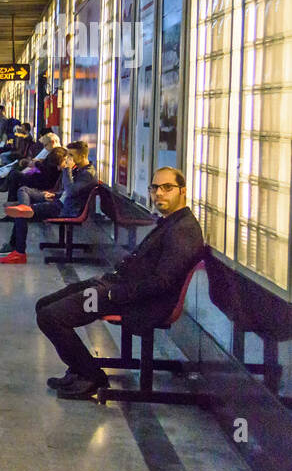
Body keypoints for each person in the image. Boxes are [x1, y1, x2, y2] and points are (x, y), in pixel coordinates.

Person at [37, 167, 205, 399]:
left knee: (50, 316)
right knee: (43, 305)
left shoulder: (183, 230)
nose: (159, 194)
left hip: (131, 301)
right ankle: (78, 368)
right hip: (117, 289)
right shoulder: (171, 222)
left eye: (167, 188)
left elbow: (162, 283)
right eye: (155, 188)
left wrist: (113, 295)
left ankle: (91, 375)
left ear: (183, 191)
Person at [0, 141, 95, 263]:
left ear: (83, 156)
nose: (69, 158)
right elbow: (68, 193)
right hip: (58, 202)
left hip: (63, 210)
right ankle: (23, 206)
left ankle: (19, 252)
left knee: (21, 213)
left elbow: (70, 191)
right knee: (23, 194)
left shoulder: (87, 174)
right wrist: (55, 195)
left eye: (72, 155)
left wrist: (67, 169)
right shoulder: (81, 170)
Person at [0, 131, 61, 204]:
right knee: (5, 178)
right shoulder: (52, 152)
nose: (44, 147)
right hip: (39, 178)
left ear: (52, 142)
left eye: (45, 145)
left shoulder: (57, 153)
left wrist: (37, 164)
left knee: (13, 175)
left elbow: (48, 171)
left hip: (42, 182)